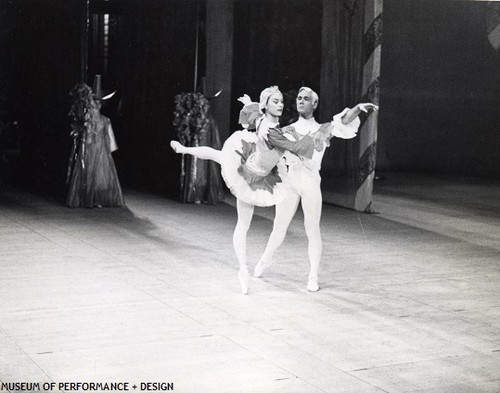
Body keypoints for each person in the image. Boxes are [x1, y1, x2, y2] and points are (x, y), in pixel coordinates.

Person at [171, 86, 321, 295]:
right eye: (275, 101)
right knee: (221, 160)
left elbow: (257, 116)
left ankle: (186, 149)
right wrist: (314, 140)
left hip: (265, 175)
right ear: (266, 105)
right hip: (247, 172)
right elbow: (291, 145)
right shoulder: (272, 131)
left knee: (219, 157)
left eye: (281, 101)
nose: (281, 105)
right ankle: (243, 267)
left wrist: (249, 103)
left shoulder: (266, 122)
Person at [253, 86, 378, 292]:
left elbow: (343, 122)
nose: (300, 101)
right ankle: (265, 260)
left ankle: (313, 275)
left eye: (305, 98)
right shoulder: (285, 130)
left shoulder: (323, 129)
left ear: (315, 104)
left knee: (312, 229)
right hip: (290, 182)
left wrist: (356, 108)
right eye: (299, 98)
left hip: (310, 182)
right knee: (279, 226)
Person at [66, 77, 125, 208]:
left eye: (97, 104)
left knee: (100, 175)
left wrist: (109, 149)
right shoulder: (88, 120)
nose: (95, 106)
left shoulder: (105, 120)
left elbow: (110, 139)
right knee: (89, 172)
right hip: (90, 149)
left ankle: (97, 199)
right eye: (94, 103)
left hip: (100, 150)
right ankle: (89, 198)